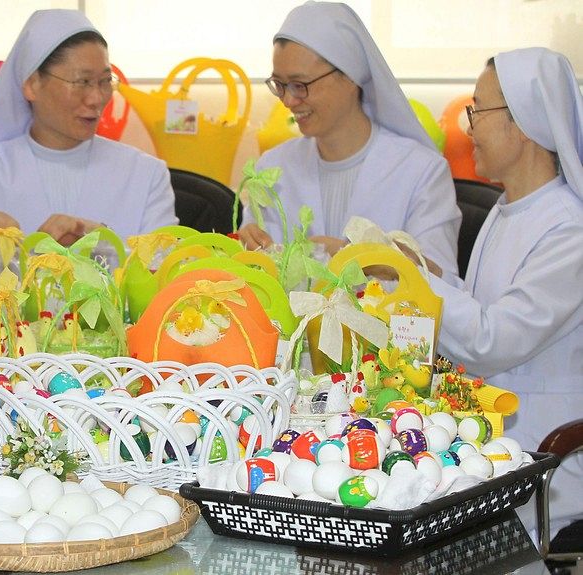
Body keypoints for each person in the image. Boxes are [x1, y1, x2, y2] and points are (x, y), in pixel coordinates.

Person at [423, 48, 583, 539]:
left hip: (545, 452)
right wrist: (421, 272)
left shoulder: (569, 229)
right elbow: (482, 310)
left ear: (524, 122)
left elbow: (493, 342)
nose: (469, 127)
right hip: (491, 437)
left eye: (478, 110)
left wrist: (419, 283)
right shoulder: (506, 207)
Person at [0, 9, 178, 244]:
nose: (96, 98)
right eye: (82, 81)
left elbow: (168, 270)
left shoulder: (145, 174)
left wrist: (101, 244)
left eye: (105, 81)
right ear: (31, 85)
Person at [237, 1, 460, 280]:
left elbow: (443, 284)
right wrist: (249, 248)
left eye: (300, 85)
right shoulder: (273, 167)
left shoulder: (421, 171)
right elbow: (257, 278)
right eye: (279, 84)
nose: (287, 100)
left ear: (351, 77)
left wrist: (356, 256)